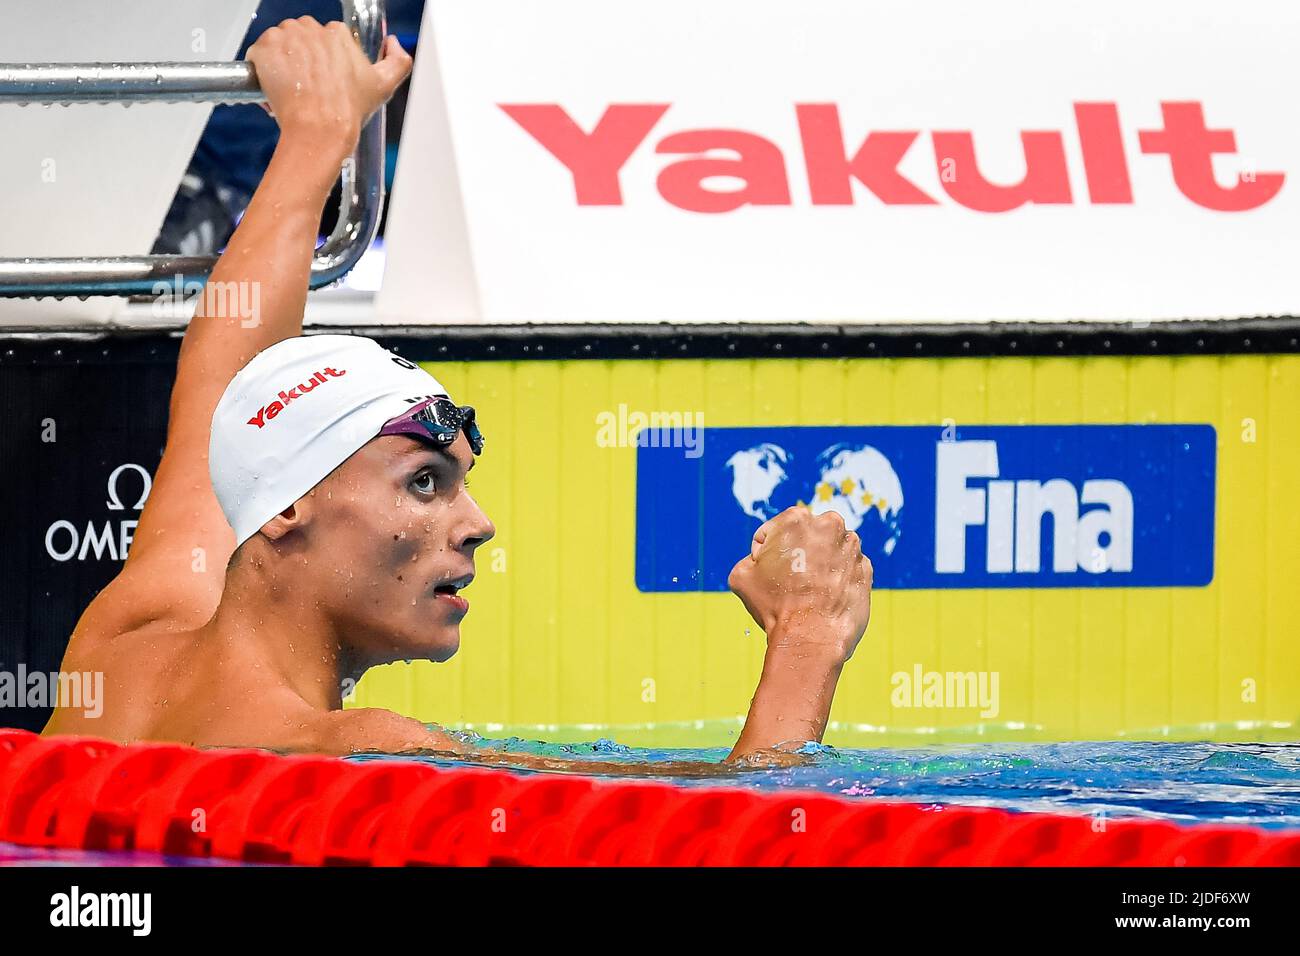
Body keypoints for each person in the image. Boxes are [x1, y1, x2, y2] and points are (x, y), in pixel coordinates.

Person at [43, 18, 873, 774]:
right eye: (425, 482)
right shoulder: (362, 754)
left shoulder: (122, 649)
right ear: (290, 507)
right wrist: (808, 640)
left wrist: (317, 133)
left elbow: (224, 380)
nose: (478, 524)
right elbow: (725, 831)